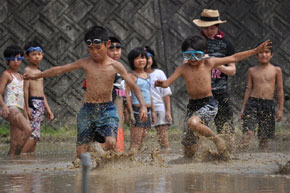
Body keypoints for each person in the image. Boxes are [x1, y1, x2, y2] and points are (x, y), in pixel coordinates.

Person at [24, 26, 148, 158]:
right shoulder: (85, 63)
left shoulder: (115, 66)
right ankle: (91, 168)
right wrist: (37, 76)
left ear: (107, 44)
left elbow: (133, 85)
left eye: (98, 48)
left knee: (111, 142)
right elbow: (59, 69)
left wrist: (143, 106)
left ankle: (98, 154)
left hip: (107, 109)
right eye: (90, 49)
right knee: (80, 154)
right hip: (88, 109)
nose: (94, 52)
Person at [155, 35, 271, 157]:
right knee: (188, 151)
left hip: (208, 103)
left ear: (204, 54)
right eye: (188, 55)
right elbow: (167, 83)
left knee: (193, 123)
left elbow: (233, 57)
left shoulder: (209, 63)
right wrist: (162, 84)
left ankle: (217, 139)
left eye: (197, 55)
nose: (193, 59)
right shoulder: (183, 68)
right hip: (192, 106)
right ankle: (212, 158)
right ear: (184, 55)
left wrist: (255, 51)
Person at [193, 9, 236, 134]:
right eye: (206, 28)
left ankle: (226, 151)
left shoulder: (226, 44)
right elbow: (186, 65)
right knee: (196, 128)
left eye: (212, 28)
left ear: (218, 26)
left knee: (226, 129)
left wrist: (217, 65)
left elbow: (232, 70)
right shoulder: (195, 43)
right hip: (201, 93)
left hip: (220, 92)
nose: (209, 31)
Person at [240, 43, 284, 149]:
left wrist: (280, 109)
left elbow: (280, 90)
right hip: (252, 103)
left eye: (267, 52)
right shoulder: (252, 70)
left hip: (268, 104)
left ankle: (259, 157)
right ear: (256, 55)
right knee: (248, 132)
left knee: (264, 138)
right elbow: (248, 89)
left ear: (271, 55)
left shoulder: (276, 70)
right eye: (261, 52)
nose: (264, 55)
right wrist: (243, 108)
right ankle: (241, 154)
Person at [22, 41, 54, 153]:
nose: (37, 57)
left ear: (43, 55)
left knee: (36, 135)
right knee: (33, 134)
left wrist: (48, 109)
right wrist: (26, 108)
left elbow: (42, 93)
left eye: (39, 54)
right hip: (33, 103)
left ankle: (30, 156)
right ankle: (22, 157)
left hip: (40, 104)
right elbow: (25, 90)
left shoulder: (40, 72)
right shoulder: (27, 70)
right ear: (27, 56)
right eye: (34, 54)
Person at [0, 45, 32, 156]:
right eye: (12, 59)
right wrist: (3, 106)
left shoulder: (20, 76)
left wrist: (26, 114)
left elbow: (24, 97)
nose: (16, 61)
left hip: (20, 109)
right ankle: (18, 157)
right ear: (7, 60)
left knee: (14, 143)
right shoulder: (6, 74)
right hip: (11, 108)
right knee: (28, 130)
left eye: (18, 58)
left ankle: (11, 162)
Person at [126, 47, 157, 153]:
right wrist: (130, 113)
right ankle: (130, 164)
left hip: (148, 110)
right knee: (136, 141)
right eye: (137, 58)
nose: (141, 60)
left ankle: (137, 163)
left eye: (143, 57)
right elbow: (128, 95)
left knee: (143, 140)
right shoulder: (131, 76)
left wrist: (153, 111)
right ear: (132, 61)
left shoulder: (148, 75)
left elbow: (150, 94)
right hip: (137, 110)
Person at [145, 46, 172, 153]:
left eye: (148, 57)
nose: (146, 60)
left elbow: (166, 94)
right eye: (142, 57)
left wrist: (168, 111)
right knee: (140, 138)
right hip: (143, 109)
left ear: (153, 58)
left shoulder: (159, 73)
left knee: (164, 140)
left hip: (159, 108)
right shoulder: (134, 75)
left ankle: (166, 159)